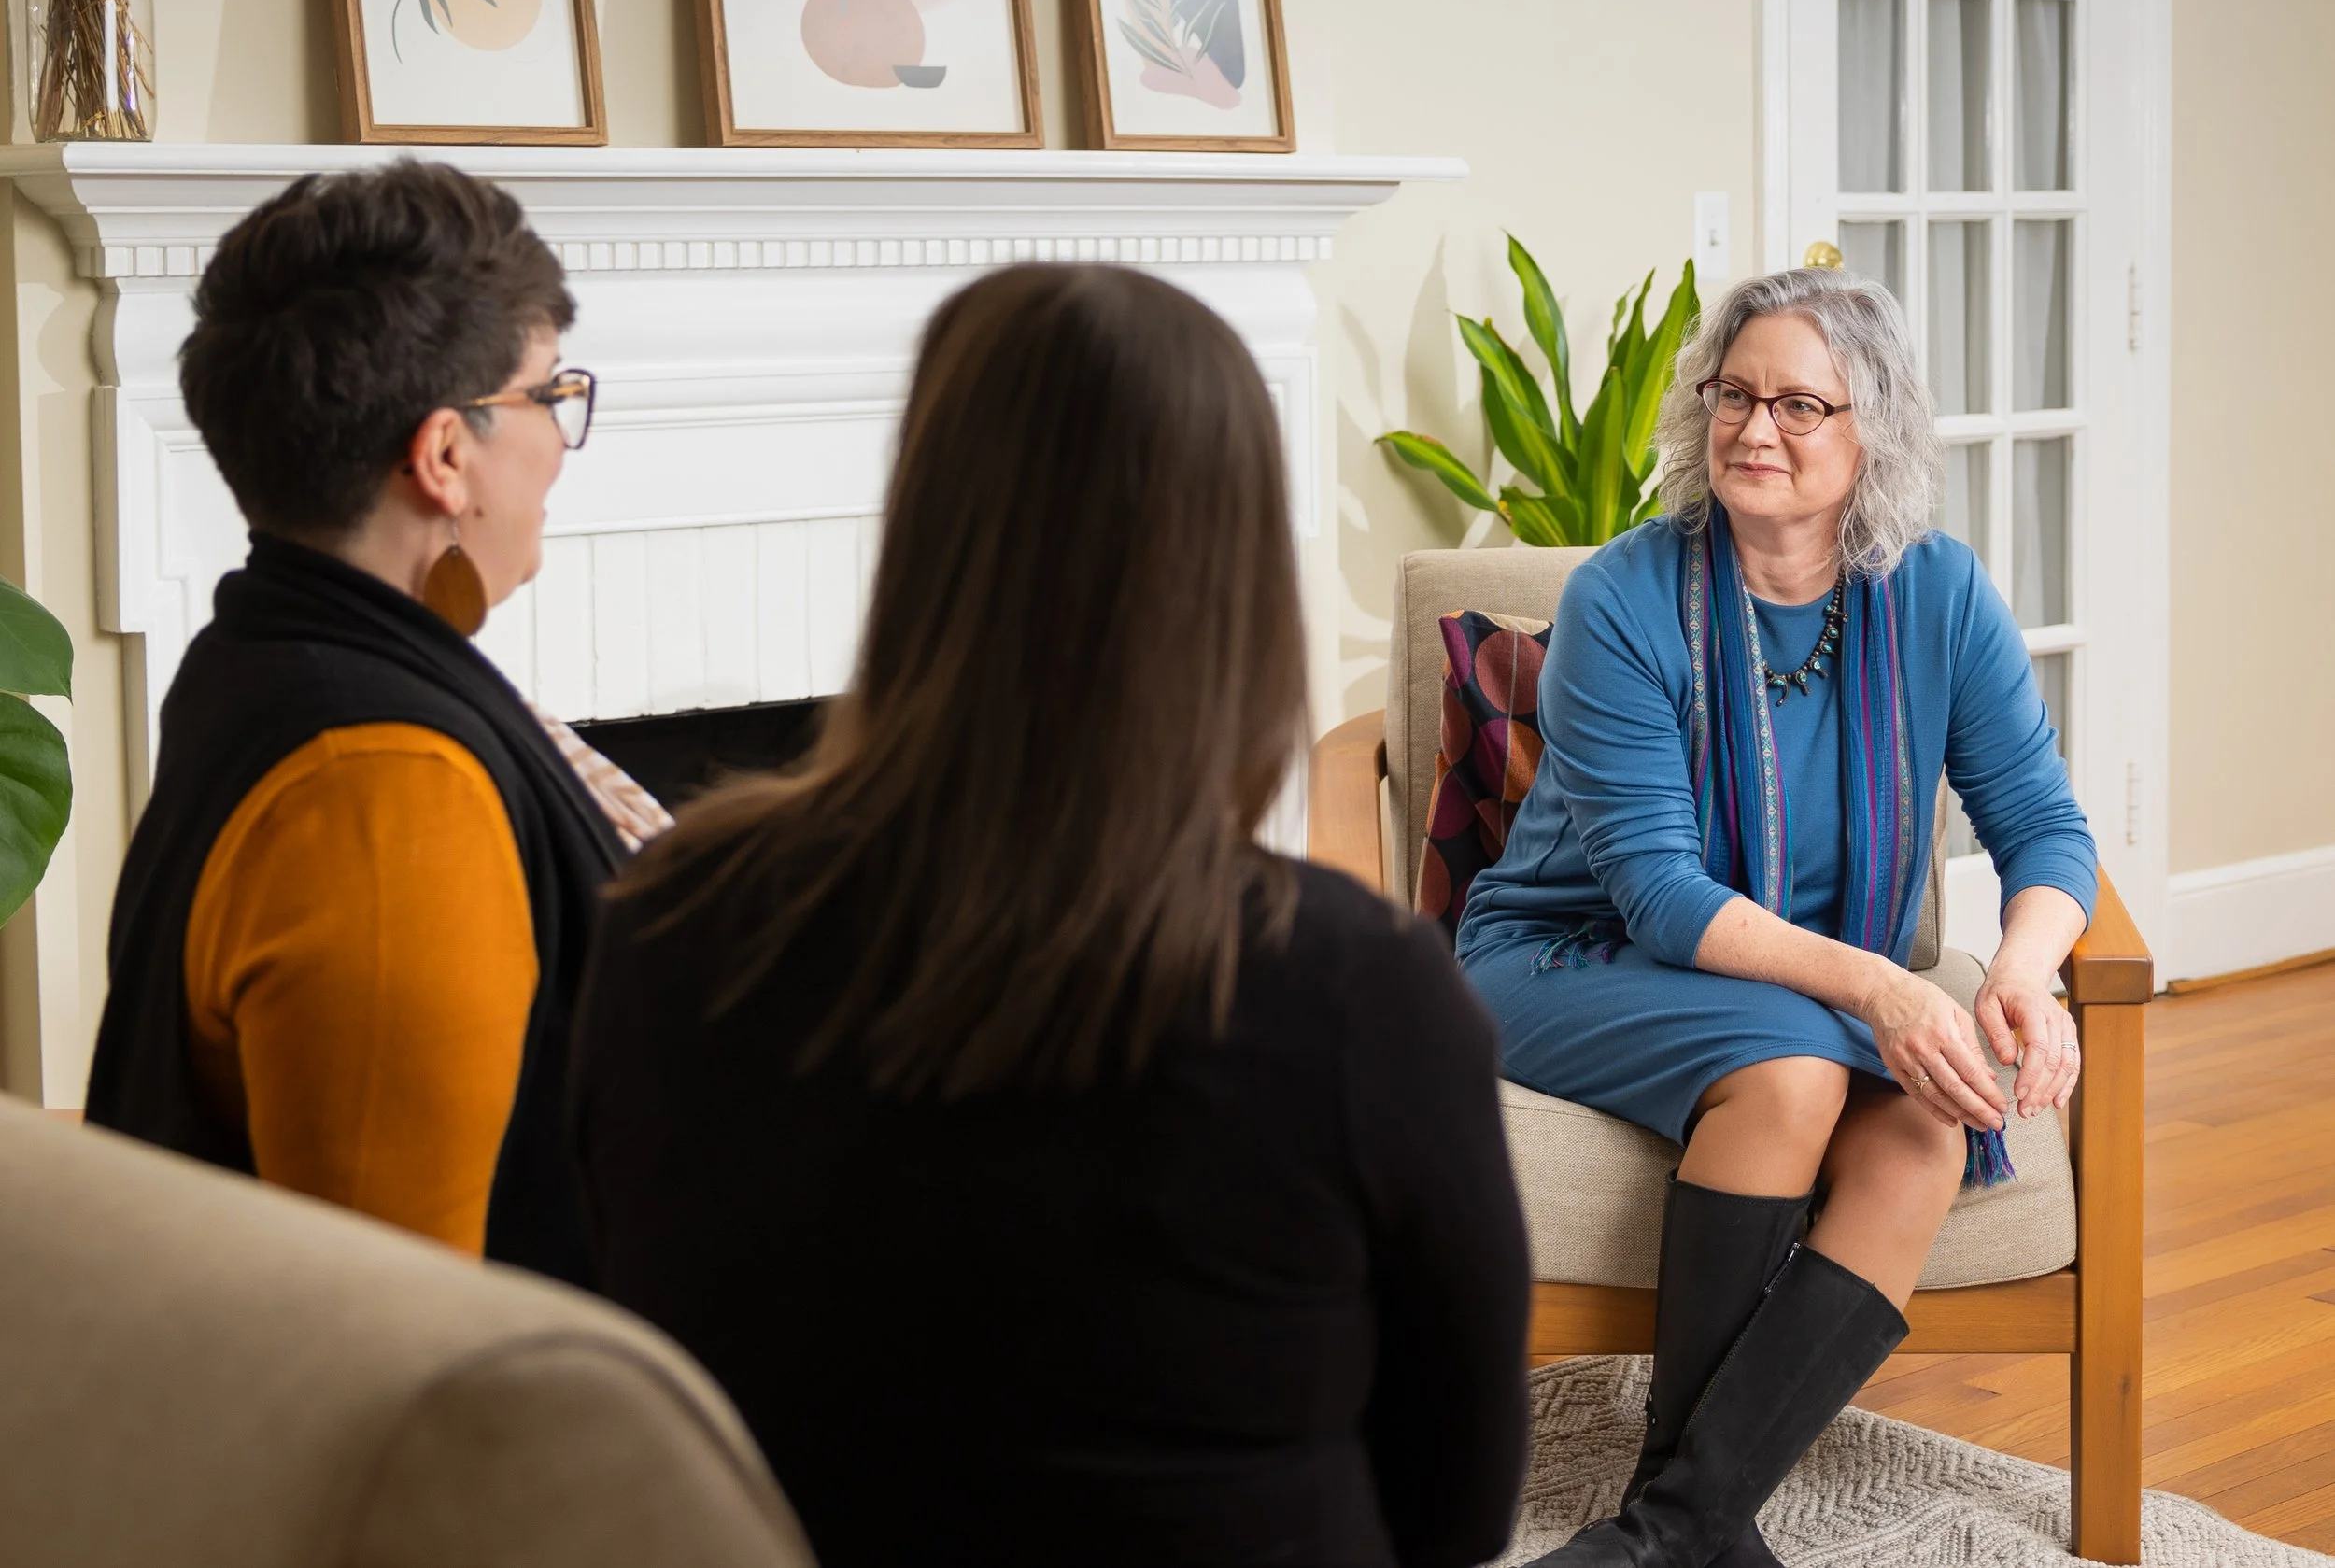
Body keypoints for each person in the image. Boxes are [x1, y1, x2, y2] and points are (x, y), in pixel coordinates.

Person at [573, 263, 1532, 1568]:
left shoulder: (666, 919)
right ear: (1235, 578)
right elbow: (1460, 1505)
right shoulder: (1361, 986)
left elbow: (622, 1367)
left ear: (927, 530)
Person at [1456, 267, 2097, 1568]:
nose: (1757, 428)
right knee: (1796, 1068)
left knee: (1932, 1117)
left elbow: (2046, 829)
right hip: (1573, 951)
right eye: (1736, 393)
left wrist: (2024, 969)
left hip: (1795, 979)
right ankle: (1692, 1529)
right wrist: (1886, 987)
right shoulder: (1626, 598)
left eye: (1803, 403)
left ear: (1878, 431)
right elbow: (1661, 892)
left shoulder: (1939, 593)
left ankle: (1671, 1528)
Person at [88, 161, 668, 1284]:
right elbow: (401, 1339)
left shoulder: (261, 659)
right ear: (446, 456)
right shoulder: (382, 792)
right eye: (550, 395)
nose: (561, 441)